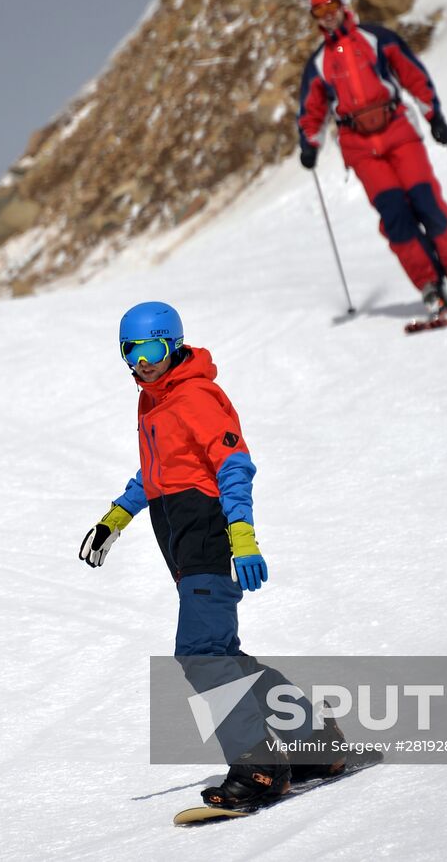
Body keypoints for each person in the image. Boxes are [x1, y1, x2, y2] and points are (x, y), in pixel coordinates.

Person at [78, 301, 356, 812]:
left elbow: (233, 465)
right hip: (183, 544)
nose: (143, 362)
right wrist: (115, 519)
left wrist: (243, 536)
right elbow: (157, 473)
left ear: (174, 343)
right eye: (130, 351)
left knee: (202, 654)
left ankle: (259, 766)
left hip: (209, 536)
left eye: (153, 348)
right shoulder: (153, 402)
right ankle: (315, 741)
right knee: (224, 655)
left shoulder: (197, 396)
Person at [296, 0, 447, 320]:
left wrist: (432, 113)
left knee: (426, 202)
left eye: (331, 7)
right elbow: (312, 109)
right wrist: (309, 143)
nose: (328, 16)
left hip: (396, 129)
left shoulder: (376, 38)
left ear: (342, 4)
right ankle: (430, 285)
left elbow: (411, 74)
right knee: (395, 216)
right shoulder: (319, 63)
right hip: (359, 146)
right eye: (319, 11)